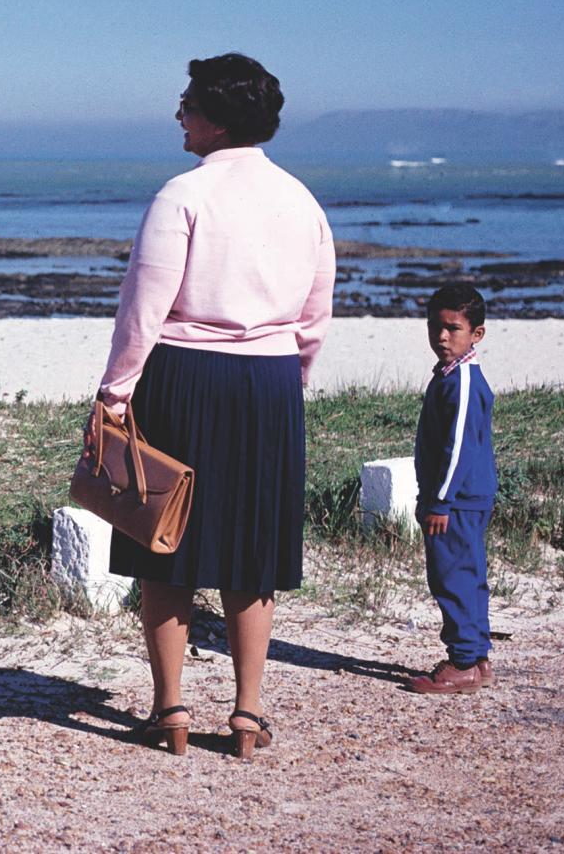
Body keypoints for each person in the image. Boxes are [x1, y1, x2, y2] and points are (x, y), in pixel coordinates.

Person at [98, 53, 334, 759]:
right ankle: (247, 714)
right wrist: (291, 383)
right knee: (251, 550)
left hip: (183, 374)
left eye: (189, 104)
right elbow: (315, 317)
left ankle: (169, 708)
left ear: (218, 118)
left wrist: (115, 391)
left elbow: (144, 306)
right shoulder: (302, 198)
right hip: (268, 383)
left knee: (162, 539)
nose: (180, 114)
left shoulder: (182, 195)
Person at [406, 283, 498, 694]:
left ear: (476, 334)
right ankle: (477, 657)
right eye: (435, 327)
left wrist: (439, 501)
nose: (441, 337)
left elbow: (457, 448)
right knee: (468, 573)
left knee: (452, 576)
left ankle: (462, 661)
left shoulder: (461, 381)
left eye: (453, 328)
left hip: (456, 502)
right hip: (463, 499)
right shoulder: (450, 376)